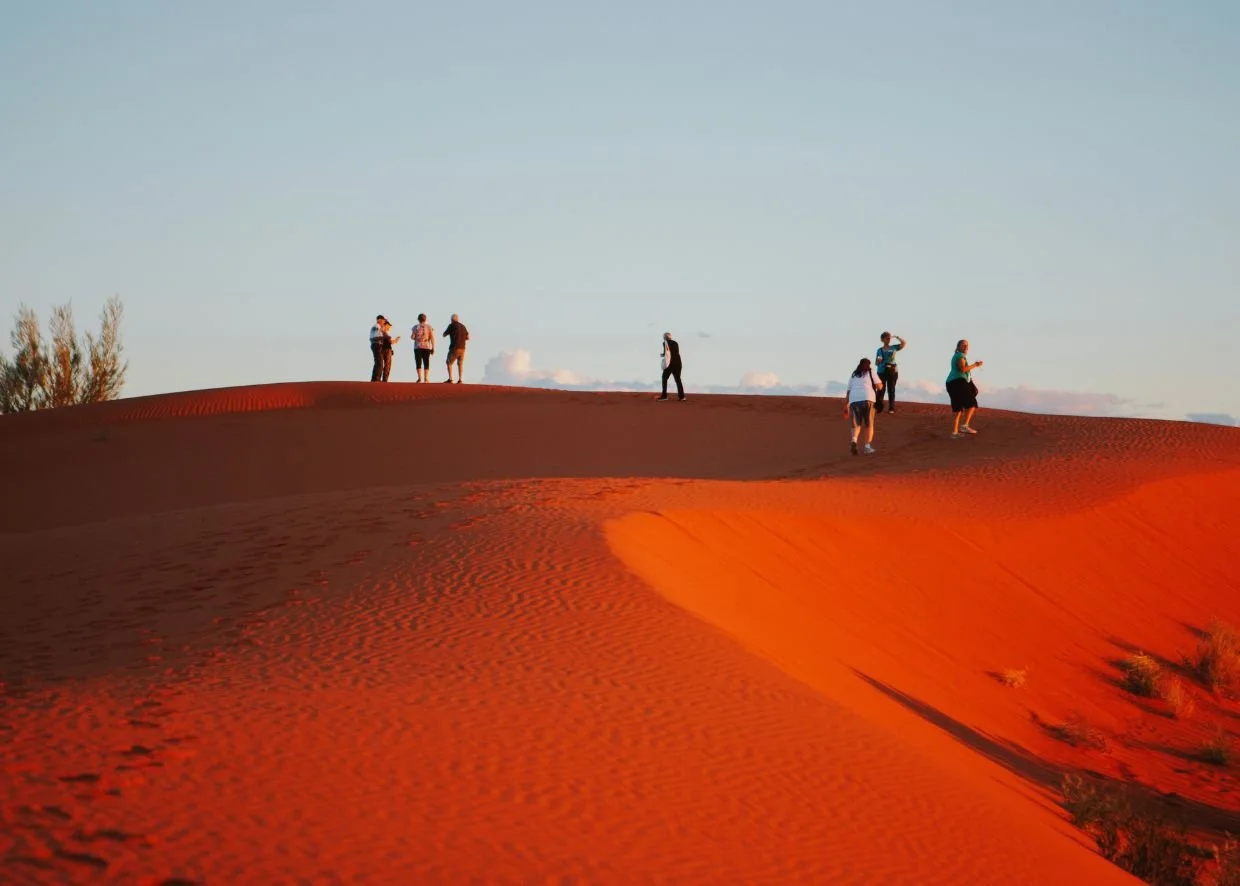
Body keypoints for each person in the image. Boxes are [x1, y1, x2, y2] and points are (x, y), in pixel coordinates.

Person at [844, 357, 883, 454]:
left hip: (854, 399)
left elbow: (848, 391)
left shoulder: (854, 374)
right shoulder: (871, 372)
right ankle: (867, 447)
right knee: (869, 424)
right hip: (867, 398)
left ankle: (854, 440)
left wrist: (847, 405)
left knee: (856, 424)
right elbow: (880, 386)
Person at [946, 338, 983, 437]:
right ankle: (964, 426)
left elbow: (966, 373)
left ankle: (954, 432)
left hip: (952, 383)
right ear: (958, 347)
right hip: (957, 382)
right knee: (971, 403)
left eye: (967, 345)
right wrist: (975, 365)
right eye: (963, 345)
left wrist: (972, 384)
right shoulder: (959, 355)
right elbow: (963, 369)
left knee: (957, 408)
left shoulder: (958, 356)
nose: (966, 347)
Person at [874, 331, 907, 414]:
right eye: (887, 338)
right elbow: (877, 363)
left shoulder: (893, 348)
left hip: (892, 371)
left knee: (891, 389)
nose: (889, 339)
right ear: (883, 339)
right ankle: (878, 408)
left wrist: (897, 337)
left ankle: (891, 408)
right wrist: (879, 360)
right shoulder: (879, 350)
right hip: (881, 371)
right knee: (881, 390)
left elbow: (904, 343)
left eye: (889, 338)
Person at [656, 332, 685, 401]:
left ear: (665, 337)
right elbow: (674, 352)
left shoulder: (665, 343)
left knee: (664, 378)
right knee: (678, 380)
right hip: (678, 363)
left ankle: (664, 396)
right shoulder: (675, 343)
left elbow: (667, 353)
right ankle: (682, 397)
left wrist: (662, 355)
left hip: (670, 364)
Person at [443, 314, 469, 383]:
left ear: (452, 320)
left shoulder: (451, 325)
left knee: (449, 362)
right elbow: (468, 337)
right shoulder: (463, 326)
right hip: (463, 348)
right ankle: (460, 379)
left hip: (454, 347)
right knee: (460, 363)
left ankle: (450, 379)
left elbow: (444, 334)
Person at [411, 314, 435, 383]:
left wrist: (417, 338)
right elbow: (432, 337)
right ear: (425, 319)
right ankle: (426, 378)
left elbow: (412, 337)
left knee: (418, 362)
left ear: (418, 319)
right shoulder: (429, 327)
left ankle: (419, 378)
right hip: (427, 346)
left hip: (417, 347)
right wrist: (433, 347)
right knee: (426, 362)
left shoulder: (415, 327)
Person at [369, 314, 387, 382]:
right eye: (383, 320)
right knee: (379, 363)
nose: (384, 322)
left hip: (376, 345)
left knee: (378, 362)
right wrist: (385, 337)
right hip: (376, 345)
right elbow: (375, 337)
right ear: (379, 320)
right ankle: (376, 379)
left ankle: (375, 379)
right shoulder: (376, 326)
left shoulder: (378, 327)